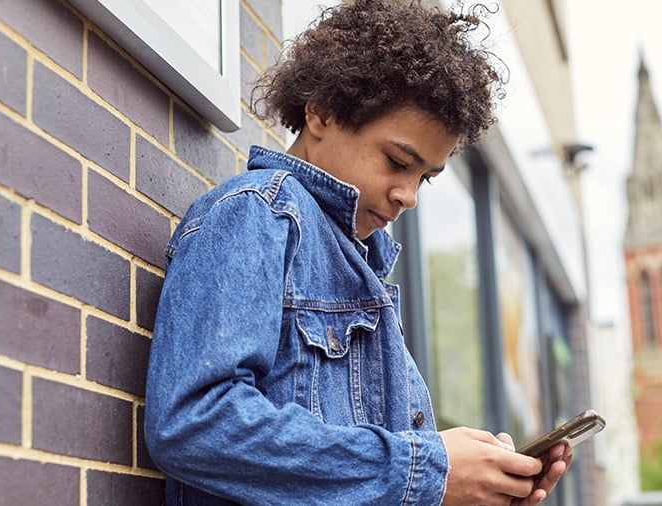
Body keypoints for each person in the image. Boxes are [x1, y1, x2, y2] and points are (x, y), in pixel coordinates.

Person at [144, 1, 572, 504]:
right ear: (322, 112)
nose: (408, 196)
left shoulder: (359, 262)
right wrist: (430, 471)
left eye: (425, 179)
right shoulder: (259, 216)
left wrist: (472, 487)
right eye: (397, 162)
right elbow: (195, 423)